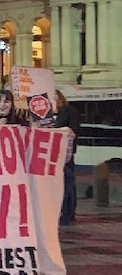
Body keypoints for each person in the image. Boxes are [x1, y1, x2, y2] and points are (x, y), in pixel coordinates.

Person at [55, 89, 80, 226]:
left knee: (68, 183)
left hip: (66, 154)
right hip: (52, 155)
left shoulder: (69, 111)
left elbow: (74, 130)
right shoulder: (47, 115)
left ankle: (68, 213)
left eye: (55, 98)